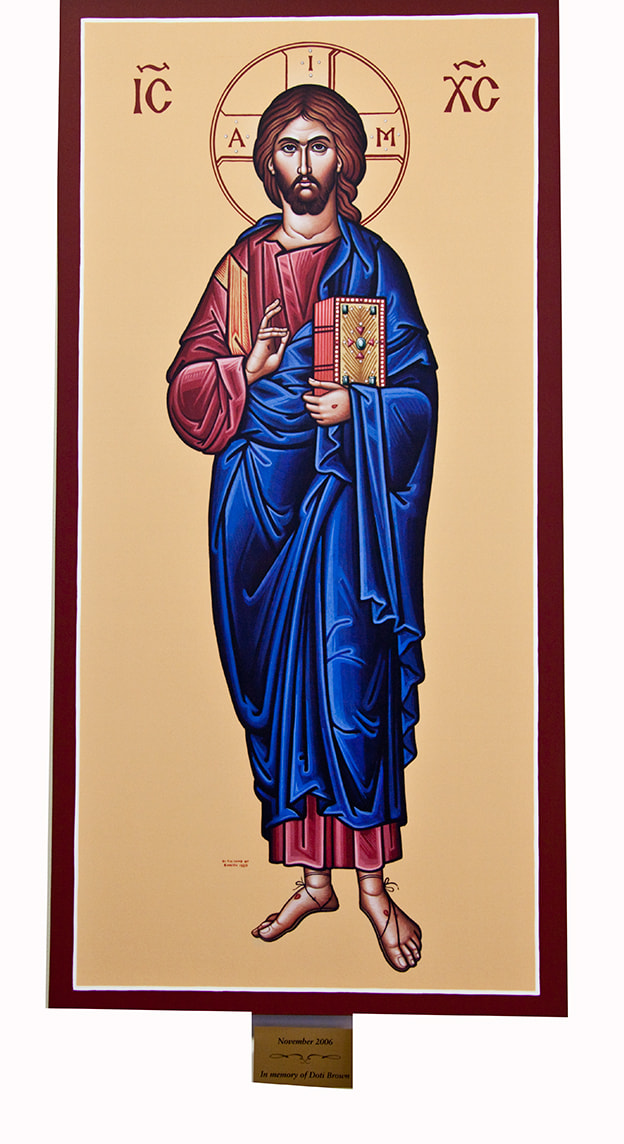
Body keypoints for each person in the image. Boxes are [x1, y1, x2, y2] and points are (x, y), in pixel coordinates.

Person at [166, 85, 437, 972]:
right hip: (257, 506)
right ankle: (313, 877)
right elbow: (187, 389)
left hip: (342, 505)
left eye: (321, 146)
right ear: (267, 162)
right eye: (288, 147)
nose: (305, 164)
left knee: (350, 690)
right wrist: (246, 369)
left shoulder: (367, 266)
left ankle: (372, 887)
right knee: (285, 702)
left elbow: (412, 393)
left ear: (346, 159)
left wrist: (357, 411)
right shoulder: (243, 269)